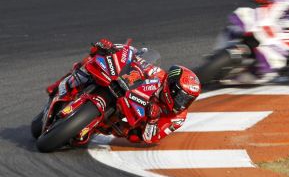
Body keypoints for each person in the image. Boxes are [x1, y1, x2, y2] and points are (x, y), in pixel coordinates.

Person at [46, 39, 201, 145]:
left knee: (132, 135)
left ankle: (90, 125)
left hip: (129, 122)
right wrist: (111, 49)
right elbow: (136, 57)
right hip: (125, 91)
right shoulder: (159, 75)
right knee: (92, 60)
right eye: (181, 97)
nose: (182, 103)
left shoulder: (178, 118)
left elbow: (151, 139)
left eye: (188, 100)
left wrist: (152, 120)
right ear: (171, 87)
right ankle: (60, 85)